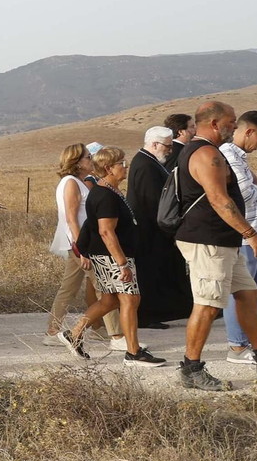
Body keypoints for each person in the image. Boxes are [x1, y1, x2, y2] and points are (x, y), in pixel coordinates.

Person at [170, 102, 257, 390]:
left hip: (223, 240)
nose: (233, 127)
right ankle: (191, 368)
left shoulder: (206, 151)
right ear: (214, 124)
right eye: (230, 121)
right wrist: (251, 233)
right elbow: (219, 200)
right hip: (208, 240)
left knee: (248, 294)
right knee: (208, 305)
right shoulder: (207, 154)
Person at [57, 147, 166, 366]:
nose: (125, 167)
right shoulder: (105, 195)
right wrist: (122, 263)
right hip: (112, 256)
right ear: (108, 168)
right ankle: (133, 353)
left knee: (109, 300)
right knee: (130, 299)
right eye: (121, 164)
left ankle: (74, 333)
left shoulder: (108, 191)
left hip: (110, 255)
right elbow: (106, 232)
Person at [47, 144, 117, 342]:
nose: (91, 160)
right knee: (104, 286)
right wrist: (82, 248)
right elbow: (71, 218)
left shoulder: (73, 182)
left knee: (69, 287)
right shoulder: (71, 183)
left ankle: (53, 330)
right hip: (80, 244)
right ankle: (116, 334)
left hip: (76, 244)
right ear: (76, 163)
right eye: (88, 157)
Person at [126, 126, 189, 327]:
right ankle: (148, 315)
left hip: (153, 231)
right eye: (168, 147)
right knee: (149, 274)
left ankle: (158, 312)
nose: (170, 151)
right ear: (154, 144)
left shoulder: (150, 162)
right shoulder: (145, 165)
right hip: (149, 231)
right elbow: (152, 202)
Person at [218, 111, 257, 367]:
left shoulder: (240, 157)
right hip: (244, 237)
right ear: (248, 132)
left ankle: (254, 339)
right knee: (241, 291)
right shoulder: (227, 155)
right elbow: (242, 193)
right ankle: (237, 345)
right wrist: (255, 184)